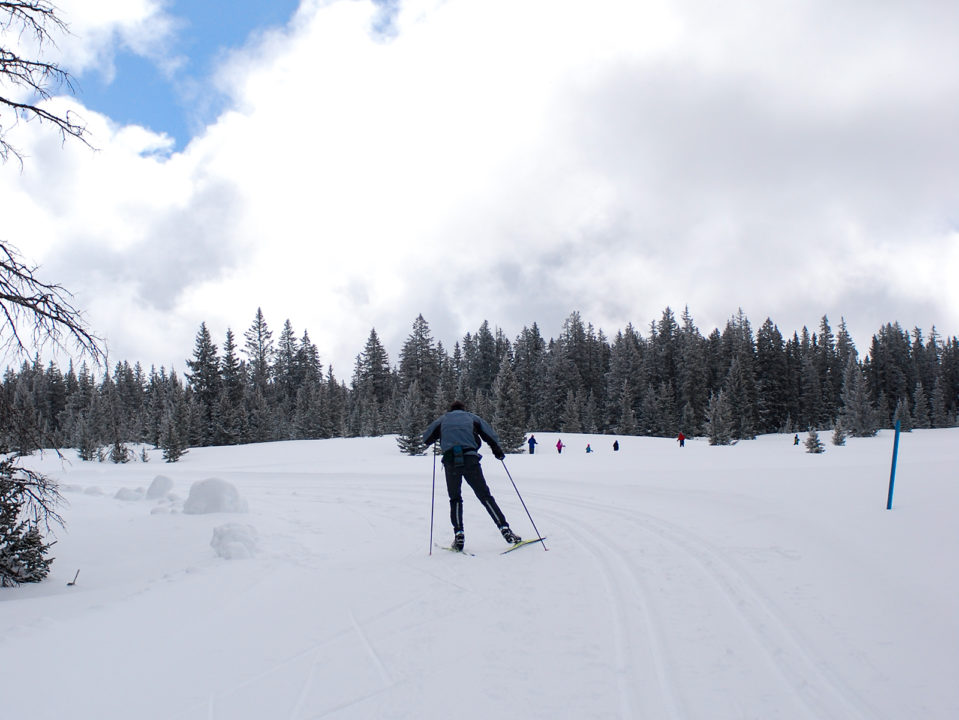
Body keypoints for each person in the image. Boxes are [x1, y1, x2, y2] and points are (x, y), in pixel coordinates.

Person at [423, 400, 521, 551]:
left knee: (455, 498)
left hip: (451, 462)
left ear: (451, 409)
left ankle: (459, 535)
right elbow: (489, 435)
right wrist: (497, 451)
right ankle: (505, 529)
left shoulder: (443, 420)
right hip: (470, 460)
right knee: (485, 496)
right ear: (463, 409)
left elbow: (426, 439)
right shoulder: (472, 418)